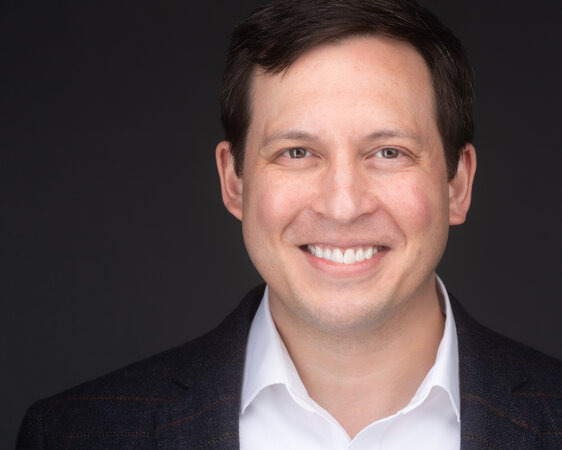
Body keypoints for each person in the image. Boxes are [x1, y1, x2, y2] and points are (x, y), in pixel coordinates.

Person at [17, 0, 562, 448]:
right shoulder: (71, 435)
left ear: (457, 185)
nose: (343, 206)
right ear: (234, 181)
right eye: (297, 152)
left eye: (388, 152)